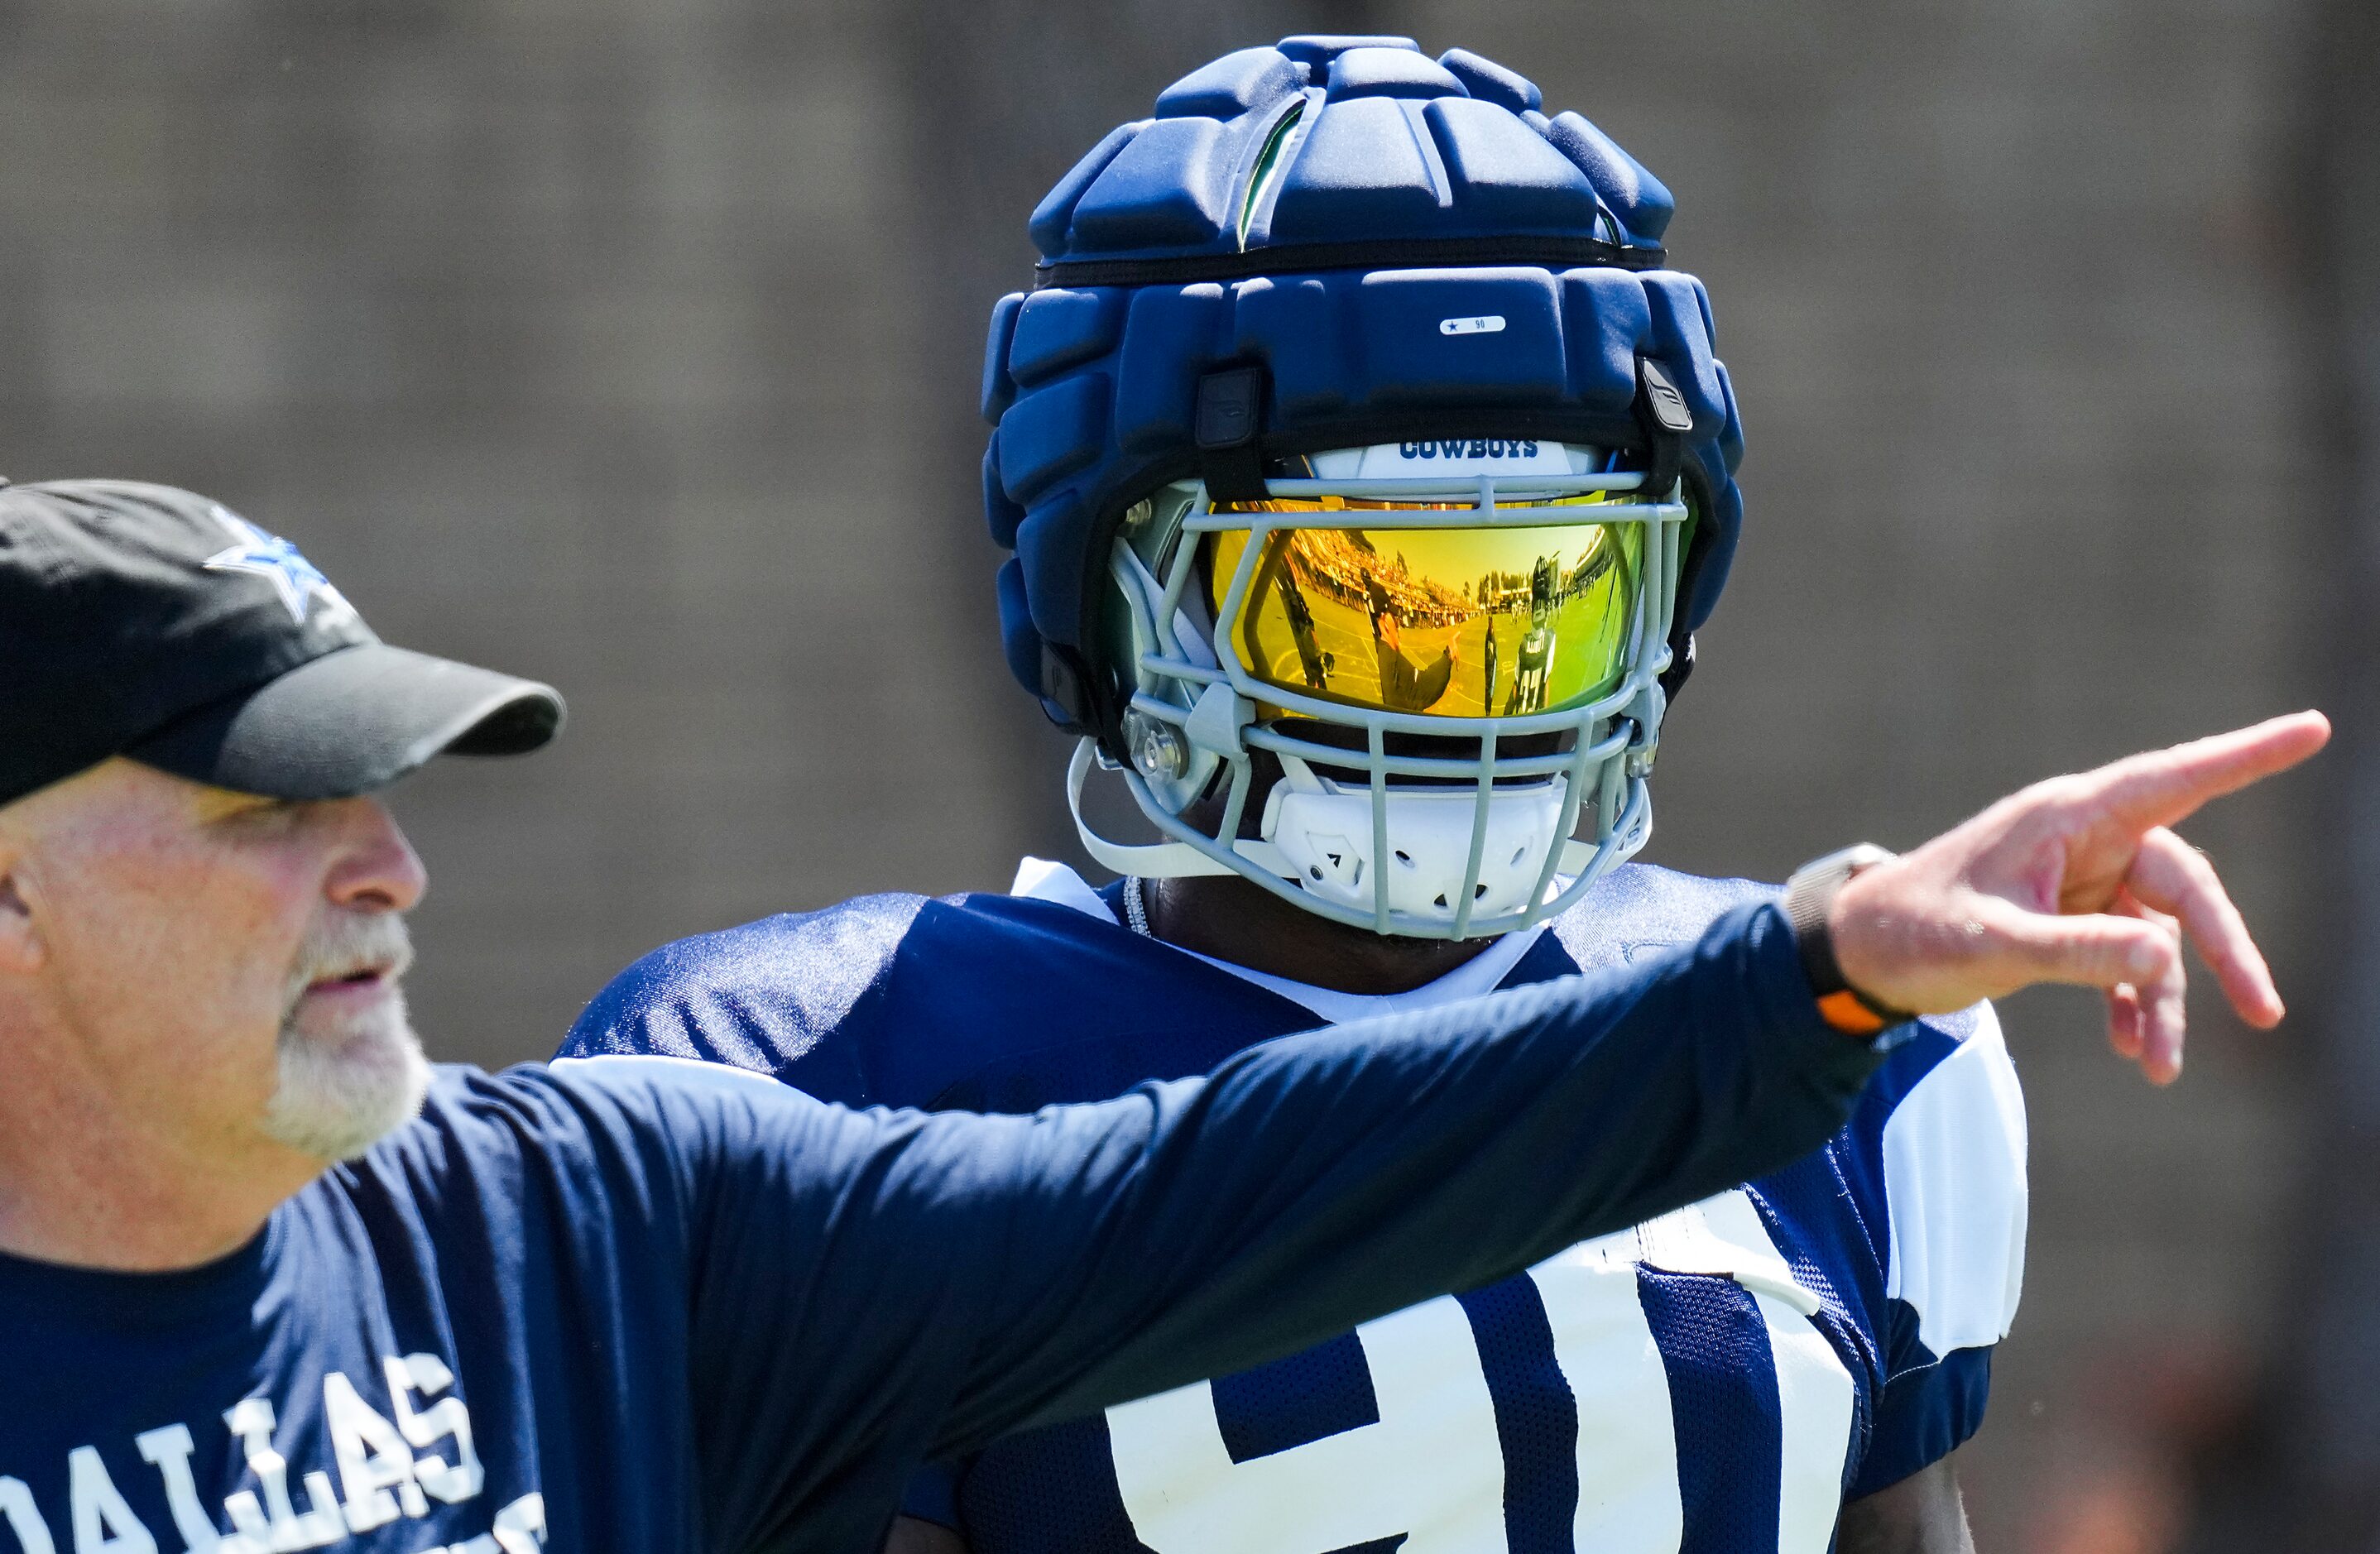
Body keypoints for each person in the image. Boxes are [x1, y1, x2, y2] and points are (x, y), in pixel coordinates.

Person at [562, 36, 2328, 1554]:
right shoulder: (813, 1069)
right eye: (1368, 601)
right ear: (1125, 590)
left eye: (1542, 605)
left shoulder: (1869, 1044)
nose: (1465, 695)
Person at [0, 480, 2317, 1554]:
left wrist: (1819, 959)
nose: (388, 868)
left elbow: (1215, 1187)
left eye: (388, 789)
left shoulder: (588, 1224)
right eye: (260, 807)